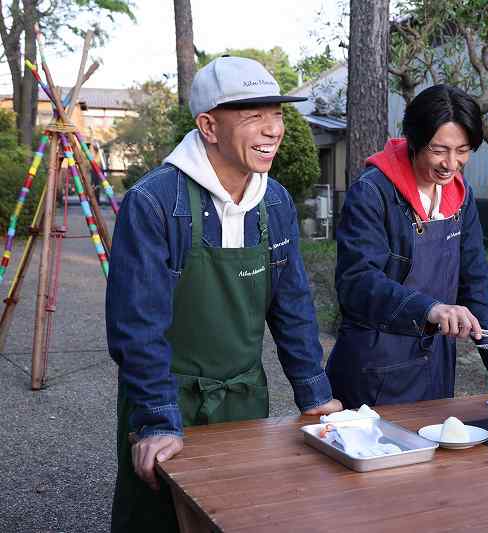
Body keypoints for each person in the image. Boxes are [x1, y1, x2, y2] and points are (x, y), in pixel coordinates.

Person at [106, 56, 342, 532]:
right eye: (254, 115)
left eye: (277, 113)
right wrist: (156, 420)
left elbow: (292, 306)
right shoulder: (155, 201)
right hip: (167, 397)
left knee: (237, 516)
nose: (273, 129)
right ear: (209, 126)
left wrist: (315, 395)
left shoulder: (274, 200)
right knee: (158, 521)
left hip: (244, 398)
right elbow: (137, 326)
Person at [326, 84, 488, 408]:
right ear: (414, 139)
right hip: (377, 364)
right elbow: (358, 282)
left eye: (462, 150)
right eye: (439, 150)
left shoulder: (460, 194)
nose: (451, 163)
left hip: (436, 365)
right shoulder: (372, 192)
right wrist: (429, 309)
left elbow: (475, 277)